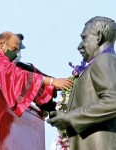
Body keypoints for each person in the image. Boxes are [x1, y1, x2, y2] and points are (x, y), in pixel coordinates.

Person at [47, 16, 116, 150]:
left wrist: (69, 117)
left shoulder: (105, 59)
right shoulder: (99, 63)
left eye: (84, 38)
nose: (79, 46)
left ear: (99, 37)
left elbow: (113, 101)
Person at [0, 31, 73, 116]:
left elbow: (19, 81)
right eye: (14, 49)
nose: (16, 53)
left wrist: (48, 98)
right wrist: (52, 81)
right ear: (2, 43)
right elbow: (13, 74)